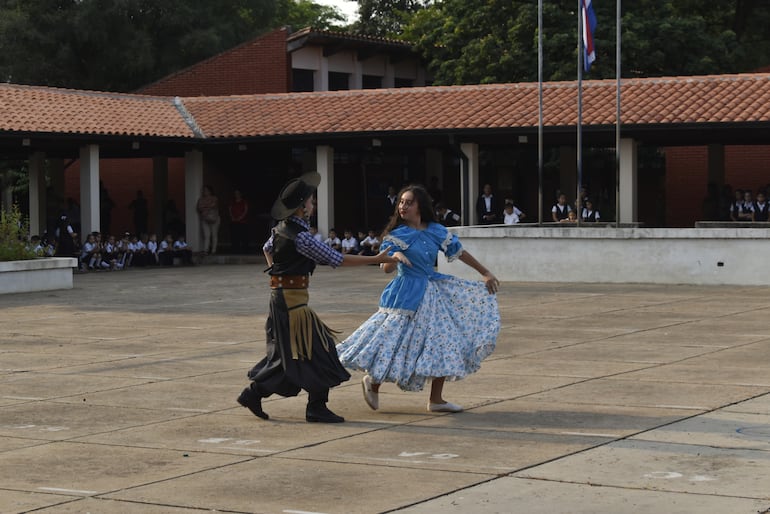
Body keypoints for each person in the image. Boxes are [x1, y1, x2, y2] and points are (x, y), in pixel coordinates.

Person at [237, 172, 396, 423]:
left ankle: (254, 394)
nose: (314, 204)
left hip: (284, 299)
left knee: (292, 355)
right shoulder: (301, 237)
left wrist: (278, 275)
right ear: (302, 208)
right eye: (311, 201)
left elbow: (267, 249)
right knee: (320, 351)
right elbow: (338, 259)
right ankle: (315, 407)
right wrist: (376, 259)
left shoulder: (281, 229)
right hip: (293, 305)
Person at [337, 184, 501, 414]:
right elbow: (384, 267)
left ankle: (436, 399)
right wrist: (394, 256)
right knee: (394, 341)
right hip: (406, 294)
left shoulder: (435, 230)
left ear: (420, 206)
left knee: (443, 340)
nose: (403, 206)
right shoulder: (396, 235)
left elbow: (460, 252)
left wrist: (484, 272)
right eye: (401, 202)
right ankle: (373, 383)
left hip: (434, 292)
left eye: (408, 202)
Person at [197, 185, 220, 254]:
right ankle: (206, 250)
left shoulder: (214, 198)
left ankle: (213, 250)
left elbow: (214, 205)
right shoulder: (201, 199)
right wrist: (208, 207)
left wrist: (205, 208)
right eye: (204, 190)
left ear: (210, 191)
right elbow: (199, 207)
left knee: (214, 234)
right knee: (206, 235)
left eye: (206, 190)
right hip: (204, 219)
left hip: (214, 218)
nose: (205, 192)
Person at [229, 189, 249, 253]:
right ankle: (235, 248)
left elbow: (245, 210)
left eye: (238, 193)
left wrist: (240, 218)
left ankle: (244, 249)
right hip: (234, 221)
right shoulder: (232, 202)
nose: (236, 195)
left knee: (243, 235)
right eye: (235, 193)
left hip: (242, 221)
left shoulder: (244, 201)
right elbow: (230, 210)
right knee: (235, 235)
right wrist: (232, 217)